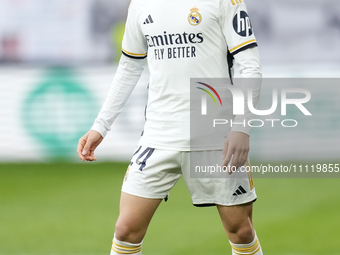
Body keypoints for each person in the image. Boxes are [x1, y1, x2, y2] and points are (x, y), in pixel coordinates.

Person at [77, 0, 263, 254]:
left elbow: (249, 65)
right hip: (158, 135)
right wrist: (101, 126)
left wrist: (242, 128)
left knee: (240, 230)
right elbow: (130, 66)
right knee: (126, 230)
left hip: (213, 135)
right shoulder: (140, 4)